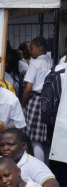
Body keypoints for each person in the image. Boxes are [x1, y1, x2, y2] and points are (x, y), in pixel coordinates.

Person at [21, 37, 53, 165]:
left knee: (35, 139)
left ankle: (40, 170)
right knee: (45, 139)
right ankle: (48, 169)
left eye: (32, 48)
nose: (30, 51)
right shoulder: (51, 61)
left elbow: (28, 88)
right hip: (49, 101)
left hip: (36, 100)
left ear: (40, 48)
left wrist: (22, 104)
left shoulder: (34, 63)